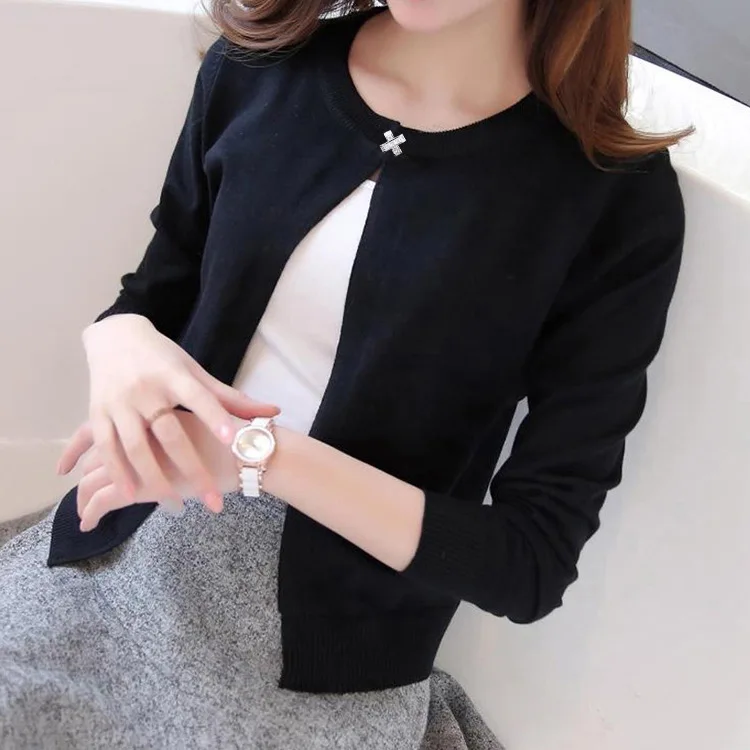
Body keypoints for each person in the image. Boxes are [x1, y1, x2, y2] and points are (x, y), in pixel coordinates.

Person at [0, 0, 691, 747]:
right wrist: (115, 337)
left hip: (329, 653)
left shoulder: (613, 197)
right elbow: (156, 294)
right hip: (126, 543)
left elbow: (531, 563)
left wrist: (253, 454)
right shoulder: (258, 67)